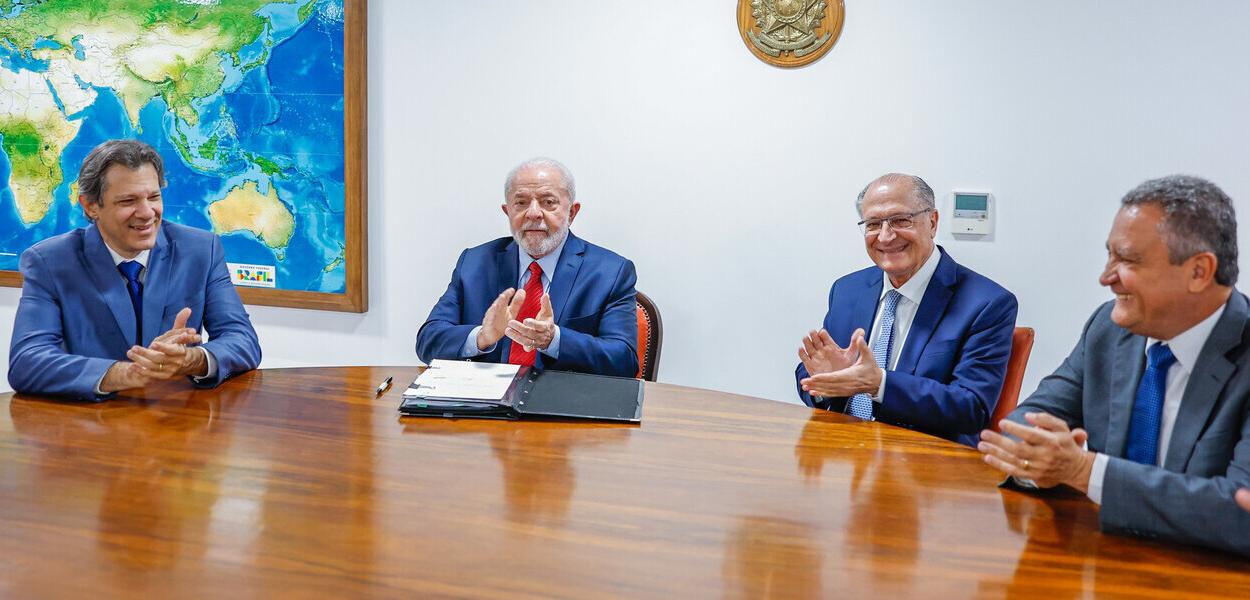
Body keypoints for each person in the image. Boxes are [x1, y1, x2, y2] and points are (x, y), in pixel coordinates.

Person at [977, 175, 1250, 557]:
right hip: (1102, 556)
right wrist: (1038, 457)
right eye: (1110, 255)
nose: (1106, 277)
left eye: (1128, 260)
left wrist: (1083, 471)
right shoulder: (1109, 328)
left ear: (1199, 272)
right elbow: (1030, 420)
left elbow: (1241, 513)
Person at [8, 139, 261, 401]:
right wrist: (126, 374)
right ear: (90, 206)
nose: (146, 212)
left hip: (176, 423)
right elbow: (27, 362)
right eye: (128, 201)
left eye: (154, 197)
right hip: (89, 426)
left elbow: (242, 340)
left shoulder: (200, 250)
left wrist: (192, 359)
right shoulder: (49, 262)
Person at [795, 173, 1018, 447]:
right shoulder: (848, 289)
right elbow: (813, 375)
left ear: (932, 222)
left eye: (901, 220)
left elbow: (971, 410)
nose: (886, 236)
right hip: (846, 456)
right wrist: (827, 381)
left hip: (926, 466)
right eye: (873, 224)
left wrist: (879, 384)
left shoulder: (987, 303)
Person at [415, 157, 638, 377]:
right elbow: (428, 342)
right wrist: (482, 337)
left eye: (548, 202)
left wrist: (554, 339)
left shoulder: (611, 272)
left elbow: (624, 360)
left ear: (571, 212)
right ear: (507, 211)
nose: (533, 213)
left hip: (562, 406)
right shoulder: (474, 263)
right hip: (483, 406)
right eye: (521, 203)